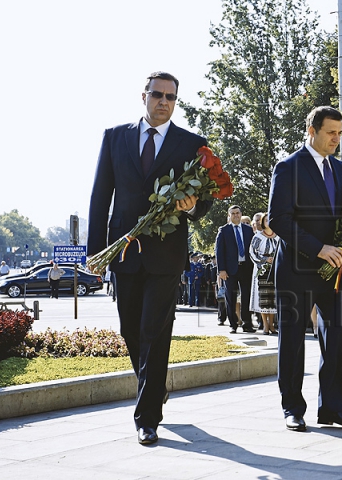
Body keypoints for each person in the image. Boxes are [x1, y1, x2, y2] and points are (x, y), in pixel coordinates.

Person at [87, 71, 211, 445]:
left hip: (166, 255)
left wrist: (193, 206)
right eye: (157, 94)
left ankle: (147, 417)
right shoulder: (114, 137)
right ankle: (153, 388)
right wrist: (96, 253)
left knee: (154, 331)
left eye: (170, 97)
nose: (163, 102)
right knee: (130, 329)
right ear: (143, 96)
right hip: (123, 252)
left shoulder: (192, 143)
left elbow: (203, 200)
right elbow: (100, 197)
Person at [268, 106, 342, 432]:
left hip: (332, 273)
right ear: (312, 131)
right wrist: (317, 248)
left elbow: (336, 216)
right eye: (331, 133)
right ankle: (292, 408)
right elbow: (278, 219)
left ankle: (334, 408)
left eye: (340, 133)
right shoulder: (288, 167)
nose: (337, 139)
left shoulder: (338, 169)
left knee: (337, 336)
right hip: (297, 270)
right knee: (293, 340)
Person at [215, 205, 256, 334]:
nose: (236, 215)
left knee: (247, 297)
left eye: (237, 213)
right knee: (231, 297)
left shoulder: (249, 230)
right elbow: (219, 251)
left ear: (241, 214)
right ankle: (233, 324)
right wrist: (221, 270)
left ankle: (247, 323)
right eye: (233, 213)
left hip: (246, 268)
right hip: (229, 270)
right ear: (229, 216)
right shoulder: (224, 230)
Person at [249, 212, 279, 335]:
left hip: (275, 269)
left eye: (270, 219)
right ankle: (265, 325)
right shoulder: (258, 237)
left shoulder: (278, 236)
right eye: (266, 220)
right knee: (264, 298)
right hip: (262, 269)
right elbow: (252, 252)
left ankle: (272, 325)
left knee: (272, 298)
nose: (268, 222)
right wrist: (265, 260)